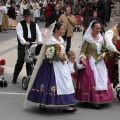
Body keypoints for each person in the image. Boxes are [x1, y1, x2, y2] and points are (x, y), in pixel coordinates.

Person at [24, 22, 77, 113]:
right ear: (56, 30)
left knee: (65, 84)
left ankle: (66, 104)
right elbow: (47, 53)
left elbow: (63, 51)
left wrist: (64, 57)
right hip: (51, 65)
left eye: (64, 29)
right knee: (48, 83)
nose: (63, 31)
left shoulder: (60, 39)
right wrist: (55, 56)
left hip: (62, 65)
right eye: (62, 29)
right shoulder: (50, 40)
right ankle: (43, 102)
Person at [76, 21, 114, 109]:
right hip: (90, 61)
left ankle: (102, 98)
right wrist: (82, 57)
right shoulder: (87, 39)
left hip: (100, 62)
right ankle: (93, 99)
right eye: (96, 28)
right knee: (92, 79)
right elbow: (83, 51)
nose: (98, 30)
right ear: (92, 28)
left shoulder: (101, 38)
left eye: (99, 28)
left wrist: (104, 54)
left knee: (102, 77)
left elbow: (104, 49)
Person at [12, 9, 42, 84]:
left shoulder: (34, 24)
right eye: (25, 16)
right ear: (23, 17)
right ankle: (15, 77)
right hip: (23, 45)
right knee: (20, 61)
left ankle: (29, 78)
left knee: (31, 61)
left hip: (32, 43)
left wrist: (39, 40)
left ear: (30, 16)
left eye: (28, 16)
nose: (27, 17)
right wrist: (24, 42)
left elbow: (38, 33)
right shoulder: (20, 24)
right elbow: (19, 35)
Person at [105, 22, 120, 88]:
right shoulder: (110, 31)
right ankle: (106, 86)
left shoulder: (118, 31)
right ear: (118, 26)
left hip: (115, 55)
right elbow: (108, 43)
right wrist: (115, 50)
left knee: (114, 71)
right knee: (108, 71)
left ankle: (112, 84)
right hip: (107, 53)